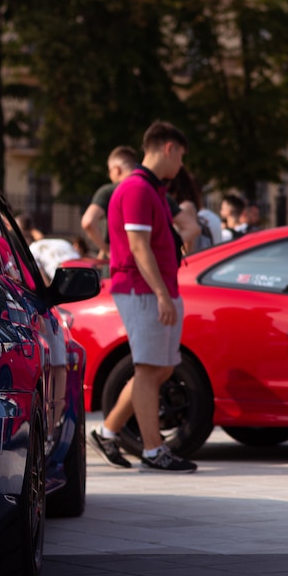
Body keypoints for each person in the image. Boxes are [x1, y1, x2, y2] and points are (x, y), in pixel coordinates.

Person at [90, 121, 198, 473]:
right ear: (168, 148)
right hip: (142, 290)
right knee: (149, 369)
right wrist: (162, 295)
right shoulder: (136, 189)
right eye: (180, 155)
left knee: (161, 368)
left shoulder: (151, 189)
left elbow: (177, 231)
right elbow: (138, 247)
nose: (180, 165)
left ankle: (108, 432)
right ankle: (153, 450)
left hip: (155, 289)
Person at [80, 146, 139, 257]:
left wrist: (106, 249)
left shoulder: (109, 191)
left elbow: (88, 222)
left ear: (117, 170)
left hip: (118, 262)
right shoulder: (150, 190)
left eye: (110, 171)